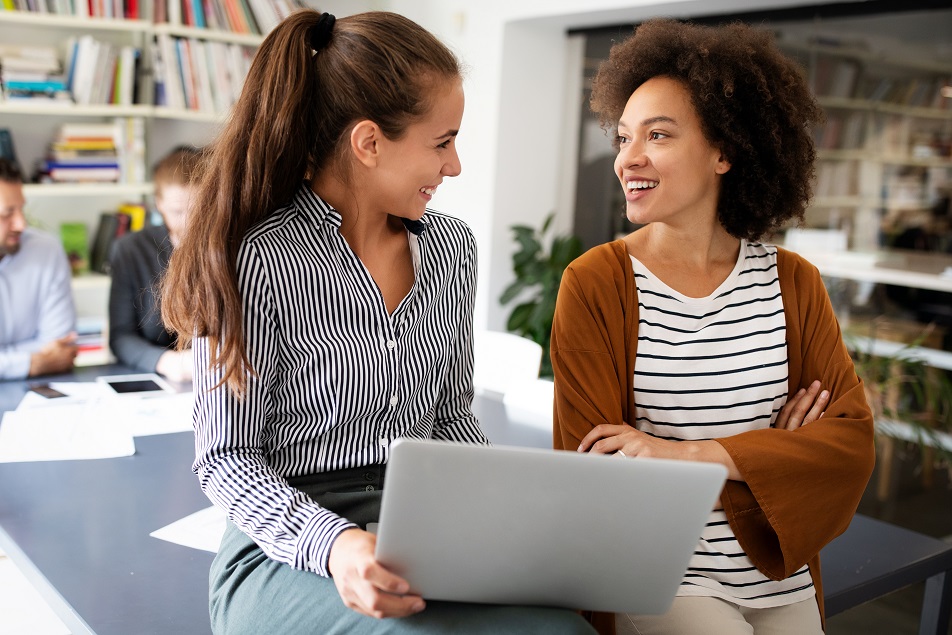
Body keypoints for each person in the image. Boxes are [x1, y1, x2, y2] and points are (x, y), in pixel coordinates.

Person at [160, 10, 595, 635]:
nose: (455, 166)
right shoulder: (254, 258)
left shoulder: (451, 248)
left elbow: (449, 416)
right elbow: (227, 460)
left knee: (565, 629)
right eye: (442, 142)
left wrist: (505, 513)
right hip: (293, 541)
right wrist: (338, 546)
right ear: (369, 143)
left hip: (423, 521)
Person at [550, 19, 876, 635]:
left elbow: (850, 444)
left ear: (725, 151)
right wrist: (775, 452)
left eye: (659, 135)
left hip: (781, 570)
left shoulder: (793, 281)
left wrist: (683, 453)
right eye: (624, 138)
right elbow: (595, 469)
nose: (627, 158)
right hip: (660, 572)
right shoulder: (597, 284)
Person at [108, 145, 200, 381]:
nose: (190, 223)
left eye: (198, 210)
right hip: (158, 379)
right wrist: (168, 363)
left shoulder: (235, 247)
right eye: (178, 212)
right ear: (159, 204)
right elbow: (120, 336)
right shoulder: (130, 250)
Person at [0, 158, 77, 380]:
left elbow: (60, 346)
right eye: (7, 213)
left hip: (37, 391)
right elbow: (47, 355)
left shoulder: (46, 250)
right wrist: (31, 362)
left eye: (21, 209)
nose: (21, 224)